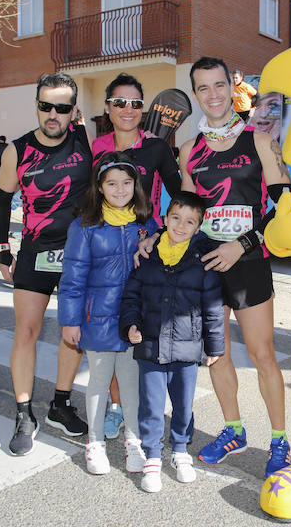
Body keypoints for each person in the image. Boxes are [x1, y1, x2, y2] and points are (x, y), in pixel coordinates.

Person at [164, 56, 291, 477]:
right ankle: (233, 429)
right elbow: (185, 216)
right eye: (203, 88)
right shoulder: (189, 151)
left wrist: (244, 242)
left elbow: (284, 205)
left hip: (250, 261)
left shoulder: (258, 140)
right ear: (196, 94)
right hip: (207, 266)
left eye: (219, 85)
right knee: (215, 355)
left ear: (231, 88)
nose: (213, 95)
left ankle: (279, 440)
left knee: (262, 354)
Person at [0, 72, 94, 456]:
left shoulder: (85, 142)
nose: (53, 114)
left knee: (74, 333)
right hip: (36, 251)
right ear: (36, 105)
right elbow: (2, 200)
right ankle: (23, 413)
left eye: (62, 107)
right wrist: (3, 249)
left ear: (73, 110)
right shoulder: (16, 151)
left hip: (80, 252)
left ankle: (60, 404)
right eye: (46, 106)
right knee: (26, 332)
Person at [91, 72, 182, 439]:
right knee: (115, 334)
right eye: (120, 103)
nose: (127, 110)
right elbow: (89, 202)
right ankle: (116, 406)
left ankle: (148, 409)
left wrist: (162, 234)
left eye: (135, 104)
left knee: (148, 334)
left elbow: (178, 195)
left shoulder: (158, 147)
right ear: (108, 108)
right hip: (107, 253)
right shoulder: (96, 148)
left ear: (143, 109)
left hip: (148, 252)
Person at [58, 151, 158, 475]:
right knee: (99, 382)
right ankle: (95, 442)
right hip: (96, 319)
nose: (119, 190)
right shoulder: (84, 226)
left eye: (126, 183)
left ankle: (133, 440)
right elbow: (72, 278)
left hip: (133, 320)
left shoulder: (146, 223)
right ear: (99, 187)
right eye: (111, 183)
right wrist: (70, 321)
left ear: (135, 185)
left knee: (130, 382)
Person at [119, 191, 225, 493]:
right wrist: (130, 324)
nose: (181, 225)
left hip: (187, 349)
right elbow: (131, 295)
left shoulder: (203, 259)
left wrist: (215, 347)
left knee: (183, 405)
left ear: (198, 226)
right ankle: (152, 456)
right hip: (150, 346)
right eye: (175, 218)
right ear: (165, 219)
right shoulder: (148, 255)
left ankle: (180, 450)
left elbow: (213, 306)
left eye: (189, 221)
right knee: (151, 406)